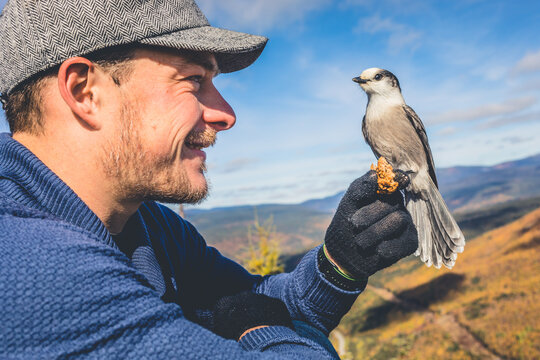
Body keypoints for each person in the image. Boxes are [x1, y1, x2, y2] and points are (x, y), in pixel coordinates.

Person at [0, 0, 418, 358]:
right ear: (84, 92)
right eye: (194, 80)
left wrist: (339, 263)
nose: (226, 115)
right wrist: (260, 332)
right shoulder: (31, 274)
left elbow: (258, 304)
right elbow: (263, 322)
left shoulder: (148, 226)